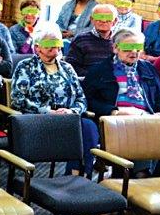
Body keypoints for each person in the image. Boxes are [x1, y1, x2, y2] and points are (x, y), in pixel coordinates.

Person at [10, 23, 96, 176]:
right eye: (47, 44)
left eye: (55, 45)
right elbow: (18, 99)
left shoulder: (67, 68)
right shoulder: (26, 66)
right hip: (39, 117)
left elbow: (81, 98)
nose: (52, 48)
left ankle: (78, 173)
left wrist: (71, 111)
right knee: (76, 129)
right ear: (37, 47)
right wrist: (48, 111)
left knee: (88, 126)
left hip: (67, 117)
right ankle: (74, 174)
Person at [82, 29, 160, 175]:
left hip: (146, 118)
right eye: (128, 48)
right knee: (139, 130)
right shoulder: (100, 70)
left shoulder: (148, 69)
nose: (134, 52)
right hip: (116, 120)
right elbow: (88, 100)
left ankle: (138, 176)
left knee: (155, 127)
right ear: (115, 48)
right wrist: (114, 111)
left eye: (138, 48)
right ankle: (137, 174)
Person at [65, 3, 117, 76]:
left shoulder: (119, 42)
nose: (104, 20)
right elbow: (71, 67)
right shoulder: (80, 40)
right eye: (99, 17)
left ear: (115, 21)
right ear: (92, 20)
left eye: (108, 17)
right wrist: (94, 77)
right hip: (86, 83)